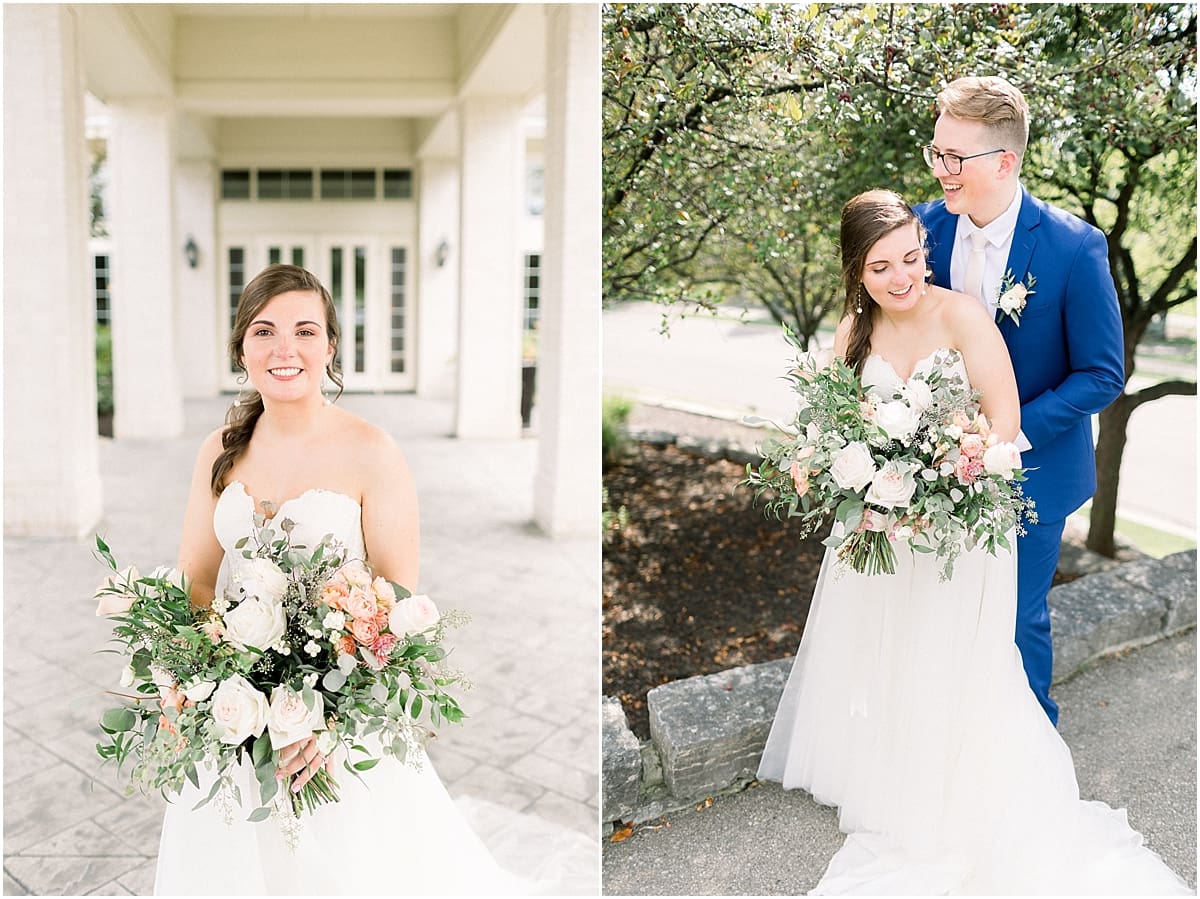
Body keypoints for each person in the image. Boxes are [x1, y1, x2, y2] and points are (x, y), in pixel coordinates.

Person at [756, 190, 1190, 893]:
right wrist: (831, 469)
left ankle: (961, 785)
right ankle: (896, 776)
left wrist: (936, 476)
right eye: (880, 268)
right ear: (856, 274)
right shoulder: (850, 334)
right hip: (880, 527)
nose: (901, 279)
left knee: (957, 654)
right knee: (887, 644)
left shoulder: (961, 314)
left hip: (955, 525)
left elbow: (1003, 416)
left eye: (910, 258)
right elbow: (827, 423)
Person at [154, 264, 530, 894]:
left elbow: (395, 600)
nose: (285, 350)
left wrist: (324, 717)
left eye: (305, 331)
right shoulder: (219, 448)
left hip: (337, 721)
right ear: (241, 348)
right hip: (233, 715)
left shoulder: (372, 450)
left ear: (329, 346)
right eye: (264, 332)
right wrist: (193, 685)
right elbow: (196, 583)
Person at [913, 75, 1126, 726]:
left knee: (1017, 615)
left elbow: (1102, 373)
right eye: (936, 153)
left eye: (956, 158)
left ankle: (1033, 755)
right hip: (935, 466)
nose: (941, 170)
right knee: (943, 608)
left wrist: (1007, 433)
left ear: (1004, 162)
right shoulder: (922, 232)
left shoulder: (1073, 247)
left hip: (1033, 469)